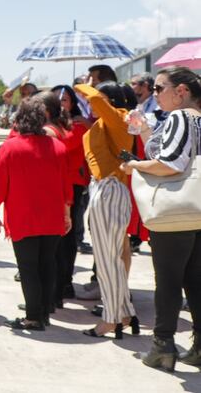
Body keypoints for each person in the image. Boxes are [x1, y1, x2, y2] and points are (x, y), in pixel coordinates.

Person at [122, 66, 201, 371]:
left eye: (158, 88)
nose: (155, 95)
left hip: (176, 211)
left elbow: (171, 164)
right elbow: (166, 151)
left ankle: (162, 345)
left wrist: (135, 166)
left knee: (168, 281)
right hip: (197, 209)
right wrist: (145, 130)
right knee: (195, 279)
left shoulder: (181, 117)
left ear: (181, 91)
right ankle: (198, 347)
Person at [0, 96, 71, 331]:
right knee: (47, 264)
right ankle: (43, 313)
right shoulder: (58, 147)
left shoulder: (10, 147)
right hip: (52, 216)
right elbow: (66, 186)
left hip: (23, 216)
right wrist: (66, 214)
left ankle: (33, 317)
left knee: (28, 267)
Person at [74, 80, 139, 339]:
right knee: (111, 259)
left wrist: (82, 86)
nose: (91, 105)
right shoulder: (105, 124)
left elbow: (97, 101)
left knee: (107, 260)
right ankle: (124, 313)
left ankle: (110, 319)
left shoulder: (120, 118)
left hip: (110, 189)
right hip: (106, 189)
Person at [46, 86, 90, 306]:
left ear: (72, 103)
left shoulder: (78, 125)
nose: (61, 103)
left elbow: (62, 144)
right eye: (57, 99)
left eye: (64, 100)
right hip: (50, 184)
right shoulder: (49, 125)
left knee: (66, 236)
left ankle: (64, 283)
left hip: (71, 185)